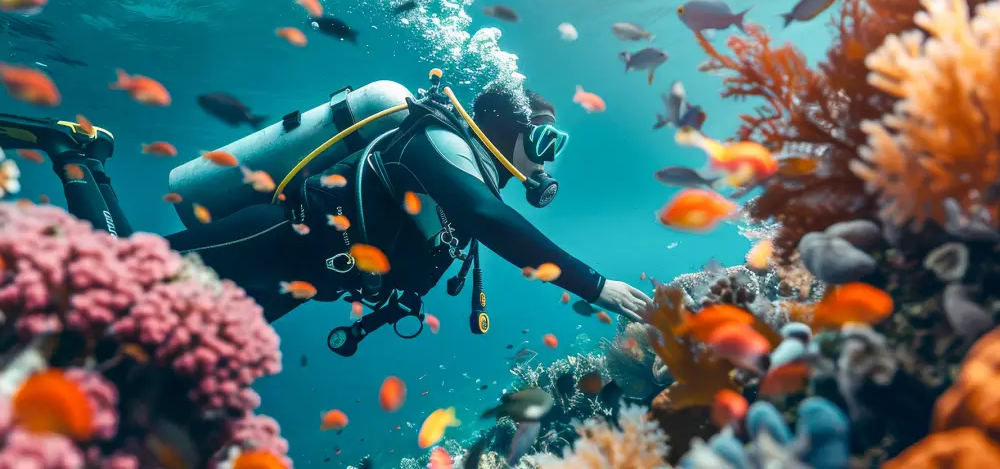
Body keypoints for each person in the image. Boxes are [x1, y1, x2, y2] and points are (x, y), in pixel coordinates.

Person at [163, 78, 649, 351]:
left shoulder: (464, 174)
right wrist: (595, 286)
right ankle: (84, 168)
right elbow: (486, 216)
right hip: (278, 237)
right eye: (543, 141)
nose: (544, 161)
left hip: (307, 280)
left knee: (173, 350)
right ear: (507, 131)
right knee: (114, 273)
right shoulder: (431, 142)